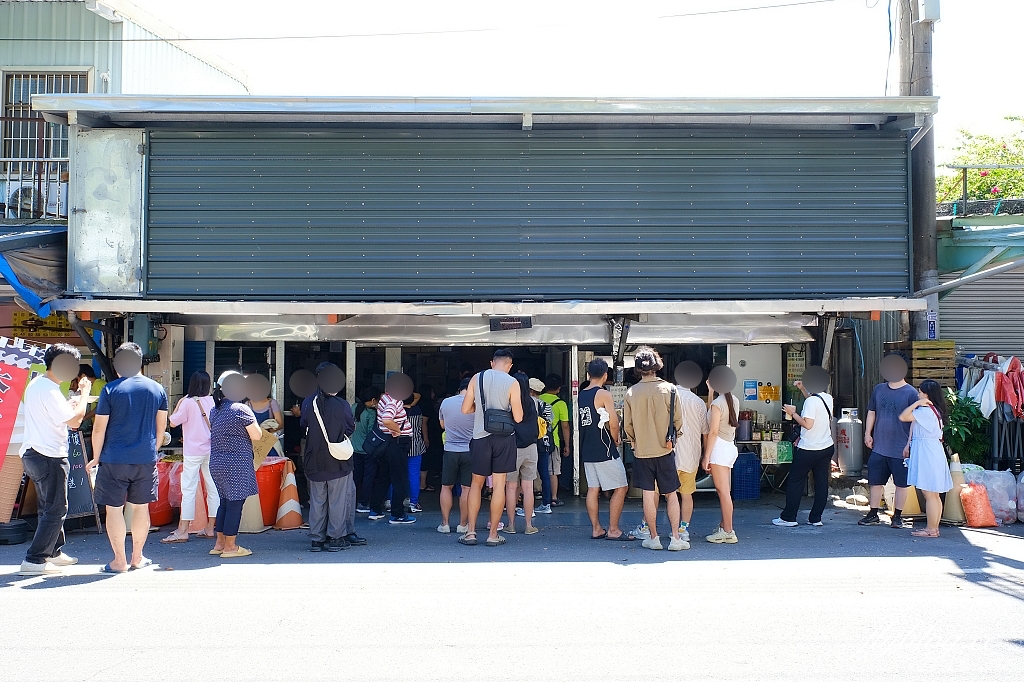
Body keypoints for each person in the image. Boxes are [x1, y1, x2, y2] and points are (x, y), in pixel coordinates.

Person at [87, 342, 168, 573]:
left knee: (113, 509)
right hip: (145, 459)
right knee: (141, 508)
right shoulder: (157, 389)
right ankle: (137, 557)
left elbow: (99, 429)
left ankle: (119, 561)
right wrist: (153, 448)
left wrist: (95, 457)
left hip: (113, 459)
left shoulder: (111, 389)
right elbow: (161, 426)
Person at [17, 344, 91, 576]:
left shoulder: (39, 384)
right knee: (56, 509)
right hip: (48, 455)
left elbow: (57, 415)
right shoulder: (48, 389)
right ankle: (35, 560)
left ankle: (54, 552)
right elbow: (75, 422)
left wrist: (71, 404)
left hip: (35, 452)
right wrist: (85, 394)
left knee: (48, 508)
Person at [622, 348, 687, 551]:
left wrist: (633, 441)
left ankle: (654, 537)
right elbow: (678, 421)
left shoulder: (631, 393)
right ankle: (676, 538)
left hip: (642, 452)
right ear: (656, 365)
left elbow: (628, 426)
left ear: (638, 369)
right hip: (665, 450)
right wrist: (673, 439)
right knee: (671, 494)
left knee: (648, 495)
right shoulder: (670, 389)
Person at [458, 349, 524, 546]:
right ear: (510, 365)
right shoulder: (513, 382)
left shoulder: (476, 378)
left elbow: (465, 409)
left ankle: (470, 532)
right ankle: (493, 534)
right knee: (498, 485)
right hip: (504, 438)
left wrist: (483, 410)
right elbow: (519, 417)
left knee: (476, 484)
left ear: (492, 362)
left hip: (480, 436)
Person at [301, 363, 362, 552]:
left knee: (317, 500)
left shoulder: (307, 402)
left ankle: (316, 540)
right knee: (338, 500)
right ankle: (336, 538)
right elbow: (350, 428)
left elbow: (303, 426)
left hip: (314, 459)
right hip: (338, 460)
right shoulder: (342, 404)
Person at [206, 373, 263, 558]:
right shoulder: (241, 409)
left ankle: (220, 543)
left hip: (217, 462)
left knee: (224, 503)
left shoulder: (216, 409)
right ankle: (230, 547)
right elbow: (257, 435)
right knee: (234, 505)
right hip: (236, 462)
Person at [861, 355, 920, 528]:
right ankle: (873, 513)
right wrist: (867, 433)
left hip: (900, 447)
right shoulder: (878, 389)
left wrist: (909, 443)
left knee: (901, 484)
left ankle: (897, 516)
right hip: (879, 445)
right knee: (875, 481)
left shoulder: (911, 393)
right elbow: (872, 411)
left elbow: (915, 421)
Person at [579, 358, 633, 542]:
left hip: (588, 446)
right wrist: (616, 437)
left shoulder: (582, 394)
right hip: (604, 447)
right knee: (621, 486)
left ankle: (596, 528)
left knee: (593, 489)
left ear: (588, 375)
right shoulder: (603, 394)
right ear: (605, 375)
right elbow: (613, 422)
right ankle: (613, 529)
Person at [161, 371, 219, 543]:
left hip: (193, 451)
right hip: (211, 450)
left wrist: (179, 403)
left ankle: (183, 530)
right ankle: (210, 528)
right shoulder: (213, 401)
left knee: (189, 491)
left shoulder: (186, 402)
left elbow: (172, 422)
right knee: (213, 489)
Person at [774, 371, 835, 528]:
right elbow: (815, 406)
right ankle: (816, 518)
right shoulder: (827, 398)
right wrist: (803, 390)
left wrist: (792, 413)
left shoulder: (811, 402)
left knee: (795, 481)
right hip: (826, 446)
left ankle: (789, 518)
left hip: (809, 448)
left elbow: (808, 424)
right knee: (821, 483)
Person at [899, 380, 953, 538]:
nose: (918, 394)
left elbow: (903, 416)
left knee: (929, 494)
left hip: (927, 452)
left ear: (927, 395)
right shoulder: (934, 410)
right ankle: (933, 528)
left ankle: (930, 529)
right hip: (932, 450)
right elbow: (913, 426)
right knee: (934, 495)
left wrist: (918, 403)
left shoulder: (925, 411)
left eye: (920, 392)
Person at [369, 377, 417, 525]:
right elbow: (386, 419)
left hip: (386, 444)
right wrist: (398, 431)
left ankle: (375, 509)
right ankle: (397, 514)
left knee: (384, 477)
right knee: (400, 479)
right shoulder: (394, 401)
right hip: (396, 444)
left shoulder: (385, 398)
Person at [672, 362, 709, 544]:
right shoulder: (699, 402)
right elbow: (705, 432)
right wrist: (705, 456)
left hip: (668, 455)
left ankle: (648, 528)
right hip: (691, 456)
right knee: (687, 494)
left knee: (661, 493)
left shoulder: (668, 397)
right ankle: (683, 529)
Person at [702, 369, 741, 544]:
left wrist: (706, 456)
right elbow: (712, 416)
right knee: (725, 491)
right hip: (729, 447)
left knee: (723, 492)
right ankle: (724, 526)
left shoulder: (719, 403)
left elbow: (713, 430)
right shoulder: (733, 400)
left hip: (719, 448)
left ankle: (728, 531)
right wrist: (710, 392)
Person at [503, 371, 541, 535]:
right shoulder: (533, 402)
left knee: (511, 488)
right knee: (528, 488)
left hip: (513, 448)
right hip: (531, 448)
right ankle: (528, 525)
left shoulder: (510, 402)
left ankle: (510, 525)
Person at [437, 377, 475, 534]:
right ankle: (462, 524)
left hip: (450, 450)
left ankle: (445, 524)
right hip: (470, 451)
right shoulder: (476, 404)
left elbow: (442, 425)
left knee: (446, 486)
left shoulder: (446, 402)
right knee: (466, 489)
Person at [538, 374, 570, 507]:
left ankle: (537, 492)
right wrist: (567, 445)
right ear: (558, 388)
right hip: (552, 441)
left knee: (536, 469)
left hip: (536, 440)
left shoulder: (538, 399)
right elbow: (565, 426)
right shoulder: (560, 403)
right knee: (553, 471)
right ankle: (553, 498)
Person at [351, 387, 382, 514]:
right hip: (367, 449)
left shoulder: (353, 407)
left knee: (355, 476)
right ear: (373, 400)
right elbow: (371, 432)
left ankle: (353, 500)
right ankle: (363, 503)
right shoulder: (371, 413)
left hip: (353, 448)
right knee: (368, 476)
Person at [529, 378, 555, 515]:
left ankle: (529, 508)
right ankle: (546, 504)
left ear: (530, 390)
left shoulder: (527, 405)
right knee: (545, 474)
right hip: (544, 442)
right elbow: (550, 423)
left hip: (531, 442)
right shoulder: (546, 406)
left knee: (528, 476)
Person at [245, 375, 284, 455]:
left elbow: (280, 424)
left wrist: (267, 431)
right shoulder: (247, 405)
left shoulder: (272, 403)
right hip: (254, 446)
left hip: (269, 444)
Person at [405, 392, 427, 514]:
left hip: (400, 447)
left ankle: (390, 501)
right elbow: (418, 395)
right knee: (414, 476)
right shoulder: (417, 410)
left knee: (395, 475)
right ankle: (413, 503)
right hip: (416, 446)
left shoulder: (397, 411)